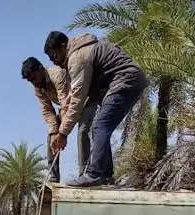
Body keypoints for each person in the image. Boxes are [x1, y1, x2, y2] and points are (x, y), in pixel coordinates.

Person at [44, 31, 147, 187]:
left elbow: (78, 100)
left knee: (100, 125)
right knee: (102, 126)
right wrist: (68, 103)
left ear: (63, 46)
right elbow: (81, 92)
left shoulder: (77, 57)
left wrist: (63, 133)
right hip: (131, 80)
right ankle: (105, 176)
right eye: (51, 59)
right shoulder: (83, 51)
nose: (54, 62)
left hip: (125, 79)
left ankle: (95, 174)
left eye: (54, 56)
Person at [21, 56, 100, 182]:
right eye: (30, 80)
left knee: (83, 131)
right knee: (51, 136)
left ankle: (83, 173)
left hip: (85, 100)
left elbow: (65, 104)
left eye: (34, 78)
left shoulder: (57, 74)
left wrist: (63, 133)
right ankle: (53, 176)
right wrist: (54, 133)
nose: (33, 82)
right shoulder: (37, 87)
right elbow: (47, 110)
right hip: (68, 107)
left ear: (41, 69)